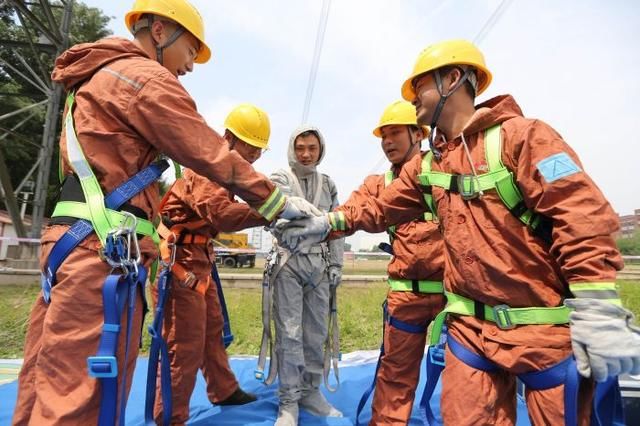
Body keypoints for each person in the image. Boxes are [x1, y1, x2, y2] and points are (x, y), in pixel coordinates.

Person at [279, 39, 640, 425]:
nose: (414, 97)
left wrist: (597, 303)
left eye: (420, 87)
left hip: (542, 332)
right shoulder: (429, 164)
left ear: (453, 79)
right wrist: (327, 223)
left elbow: (581, 211)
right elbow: (379, 206)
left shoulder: (525, 138)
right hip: (470, 336)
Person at [12, 1, 317, 424]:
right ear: (159, 31)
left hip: (73, 242)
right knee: (81, 395)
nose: (190, 66)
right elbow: (206, 151)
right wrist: (276, 205)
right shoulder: (143, 78)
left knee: (45, 375)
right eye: (191, 51)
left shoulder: (97, 79)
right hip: (102, 254)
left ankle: (221, 389)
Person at [152, 103, 274, 424]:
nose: (254, 156)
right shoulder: (207, 170)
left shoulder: (227, 171)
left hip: (199, 259)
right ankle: (170, 417)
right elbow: (223, 215)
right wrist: (270, 212)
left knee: (212, 330)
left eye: (259, 150)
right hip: (179, 263)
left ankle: (223, 389)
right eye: (250, 146)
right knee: (184, 345)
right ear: (229, 138)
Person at [327, 100, 446, 424]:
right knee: (395, 377)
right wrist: (314, 225)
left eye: (395, 133)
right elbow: (347, 213)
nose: (388, 141)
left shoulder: (441, 171)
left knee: (469, 381)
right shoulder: (377, 184)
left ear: (418, 135)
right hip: (406, 295)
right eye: (384, 135)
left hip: (456, 298)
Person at [269, 126, 345, 426]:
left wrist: (337, 264)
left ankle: (310, 392)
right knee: (289, 333)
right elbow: (273, 218)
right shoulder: (279, 180)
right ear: (292, 148)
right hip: (288, 266)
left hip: (320, 267)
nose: (306, 153)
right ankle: (288, 401)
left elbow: (338, 226)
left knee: (317, 334)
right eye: (300, 147)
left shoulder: (328, 184)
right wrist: (301, 214)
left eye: (312, 148)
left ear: (320, 149)